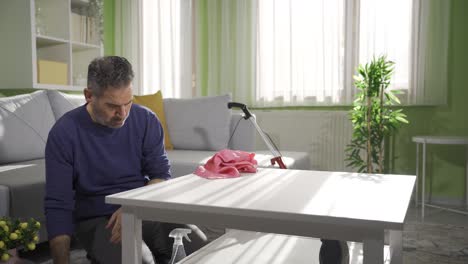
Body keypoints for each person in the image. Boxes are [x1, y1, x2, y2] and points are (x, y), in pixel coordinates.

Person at [44, 56, 198, 264]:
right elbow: (58, 205)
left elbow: (160, 174)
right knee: (137, 260)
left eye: (128, 103)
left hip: (143, 207)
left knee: (198, 247)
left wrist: (133, 208)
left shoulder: (146, 120)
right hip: (97, 219)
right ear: (89, 95)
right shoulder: (64, 133)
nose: (123, 114)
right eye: (112, 106)